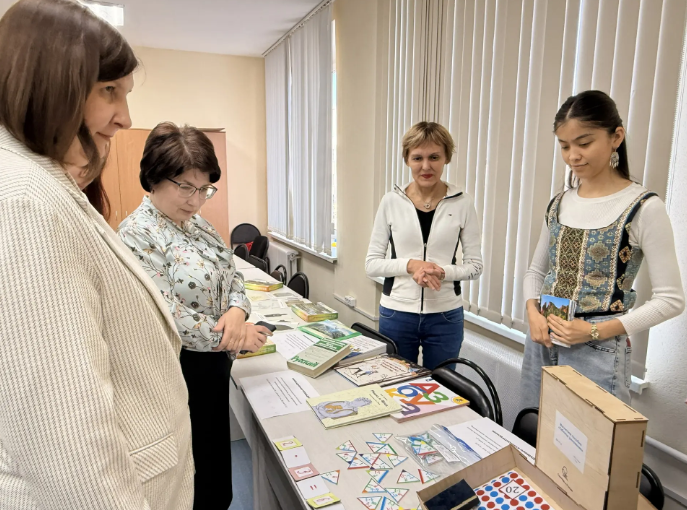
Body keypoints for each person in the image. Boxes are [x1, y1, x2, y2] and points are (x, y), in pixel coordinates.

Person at [0, 1, 194, 508]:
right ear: (50, 83)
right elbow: (68, 441)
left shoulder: (44, 185)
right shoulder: (24, 202)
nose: (125, 118)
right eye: (109, 90)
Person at [118, 122, 271, 510]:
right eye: (186, 187)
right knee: (192, 476)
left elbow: (232, 273)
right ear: (154, 177)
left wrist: (237, 311)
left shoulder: (197, 224)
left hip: (214, 363)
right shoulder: (137, 233)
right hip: (179, 368)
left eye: (204, 189)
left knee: (215, 467)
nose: (196, 199)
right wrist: (235, 335)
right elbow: (167, 313)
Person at [520, 90, 685, 407]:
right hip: (543, 335)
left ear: (616, 137)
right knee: (533, 424)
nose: (573, 156)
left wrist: (593, 332)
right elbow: (536, 272)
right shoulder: (559, 203)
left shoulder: (643, 208)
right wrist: (532, 313)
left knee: (589, 435)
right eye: (564, 146)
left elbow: (671, 300)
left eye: (584, 143)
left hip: (598, 346)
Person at [365, 121, 483, 370]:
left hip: (445, 316)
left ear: (446, 158)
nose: (426, 166)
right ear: (407, 159)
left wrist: (440, 271)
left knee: (443, 386)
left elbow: (475, 267)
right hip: (396, 314)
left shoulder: (463, 203)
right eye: (418, 158)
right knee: (395, 382)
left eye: (434, 157)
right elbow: (372, 265)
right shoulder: (390, 202)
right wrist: (411, 265)